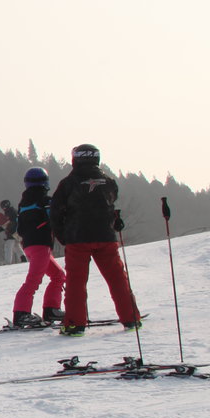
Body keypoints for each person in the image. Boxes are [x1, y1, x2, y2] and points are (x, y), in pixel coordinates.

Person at [49, 144, 142, 337]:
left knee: (76, 283)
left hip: (78, 237)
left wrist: (62, 235)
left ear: (75, 159)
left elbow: (55, 211)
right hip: (106, 236)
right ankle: (131, 318)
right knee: (117, 279)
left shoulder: (68, 183)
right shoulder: (108, 181)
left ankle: (75, 324)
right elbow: (110, 201)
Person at [8, 166, 65, 329]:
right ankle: (21, 314)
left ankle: (51, 309)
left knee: (58, 275)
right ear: (45, 182)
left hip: (29, 246)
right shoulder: (46, 201)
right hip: (41, 245)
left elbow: (19, 228)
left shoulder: (23, 203)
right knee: (33, 280)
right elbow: (56, 219)